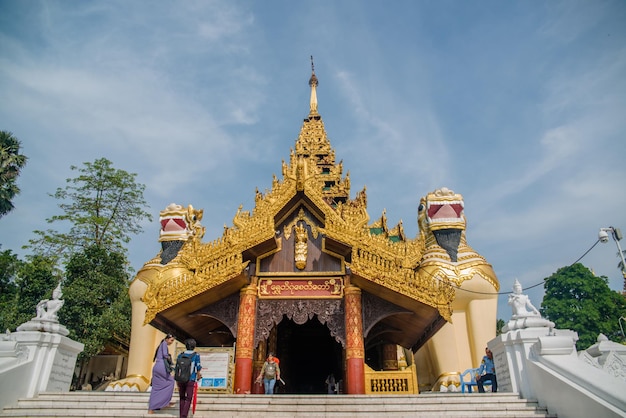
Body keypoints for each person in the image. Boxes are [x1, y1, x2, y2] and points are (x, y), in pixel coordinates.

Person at [148, 334, 176, 414]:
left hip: (156, 367)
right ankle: (165, 402)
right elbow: (165, 355)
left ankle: (151, 408)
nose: (171, 342)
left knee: (156, 387)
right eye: (171, 340)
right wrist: (171, 362)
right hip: (162, 367)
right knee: (171, 382)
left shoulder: (161, 344)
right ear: (167, 339)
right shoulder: (164, 344)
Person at [177, 338, 202, 418]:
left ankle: (181, 414)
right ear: (194, 346)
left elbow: (177, 367)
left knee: (182, 397)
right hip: (191, 378)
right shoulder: (196, 355)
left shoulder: (181, 355)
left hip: (181, 378)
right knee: (189, 397)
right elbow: (198, 366)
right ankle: (184, 415)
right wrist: (198, 374)